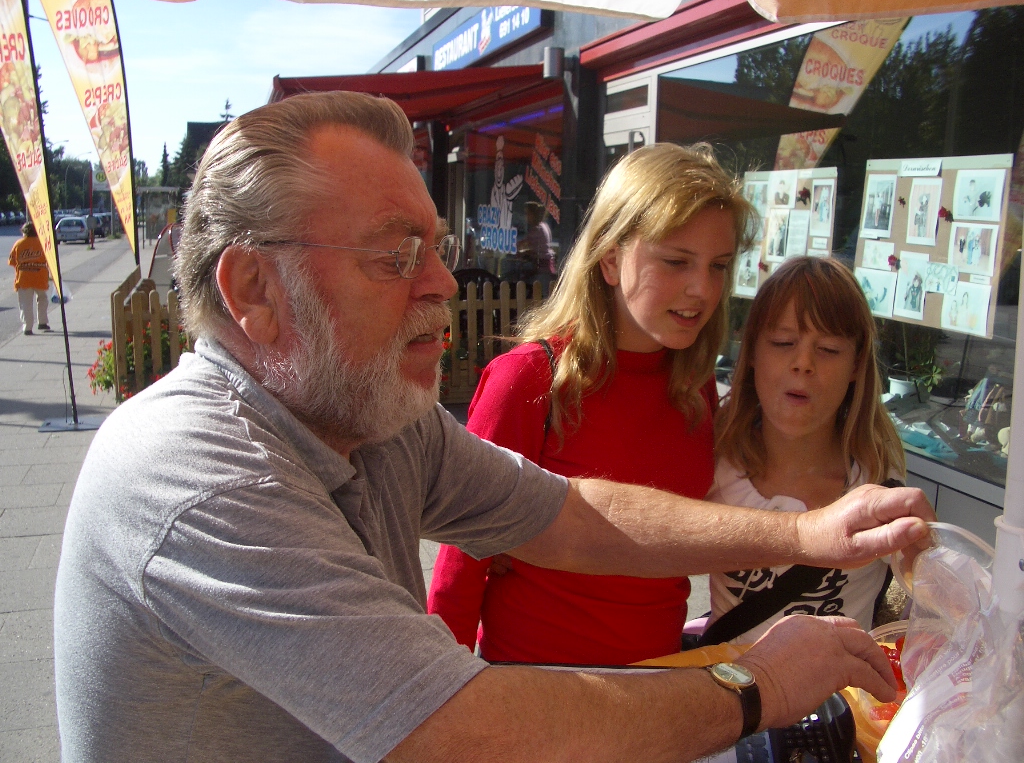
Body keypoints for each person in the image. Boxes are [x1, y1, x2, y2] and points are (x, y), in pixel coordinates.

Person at [54, 91, 933, 763]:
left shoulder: (371, 414)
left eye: (436, 248)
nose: (444, 282)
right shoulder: (201, 475)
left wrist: (807, 534)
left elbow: (566, 514)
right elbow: (459, 728)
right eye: (396, 254)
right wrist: (760, 683)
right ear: (254, 290)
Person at [429, 142, 750, 665]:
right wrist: (445, 694)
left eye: (719, 266)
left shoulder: (695, 385)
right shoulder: (528, 380)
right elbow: (458, 570)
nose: (702, 288)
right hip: (537, 689)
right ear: (610, 259)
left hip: (662, 684)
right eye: (676, 261)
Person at [708, 257, 907, 644]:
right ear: (751, 352)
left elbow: (934, 593)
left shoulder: (879, 478)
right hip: (729, 682)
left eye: (829, 349)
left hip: (841, 684)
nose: (803, 363)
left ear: (856, 365)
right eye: (783, 343)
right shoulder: (712, 459)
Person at [8, 221, 51, 335]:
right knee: (42, 299)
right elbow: (49, 259)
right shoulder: (42, 243)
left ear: (24, 232)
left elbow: (12, 261)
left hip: (24, 277)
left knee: (25, 303)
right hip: (40, 276)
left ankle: (27, 327)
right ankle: (42, 322)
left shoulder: (19, 244)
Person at [519, 200, 556, 295]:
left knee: (540, 295)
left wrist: (519, 252)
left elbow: (522, 244)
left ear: (533, 214)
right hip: (546, 267)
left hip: (542, 268)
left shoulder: (537, 230)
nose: (526, 217)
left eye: (527, 214)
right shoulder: (544, 226)